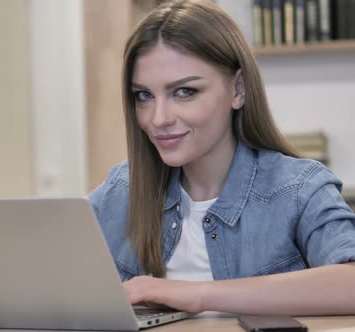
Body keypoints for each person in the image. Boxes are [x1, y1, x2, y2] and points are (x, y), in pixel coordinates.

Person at [89, 0, 355, 316]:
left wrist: (198, 295)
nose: (158, 118)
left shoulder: (299, 188)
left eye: (184, 92)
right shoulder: (122, 189)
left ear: (238, 89)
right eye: (143, 96)